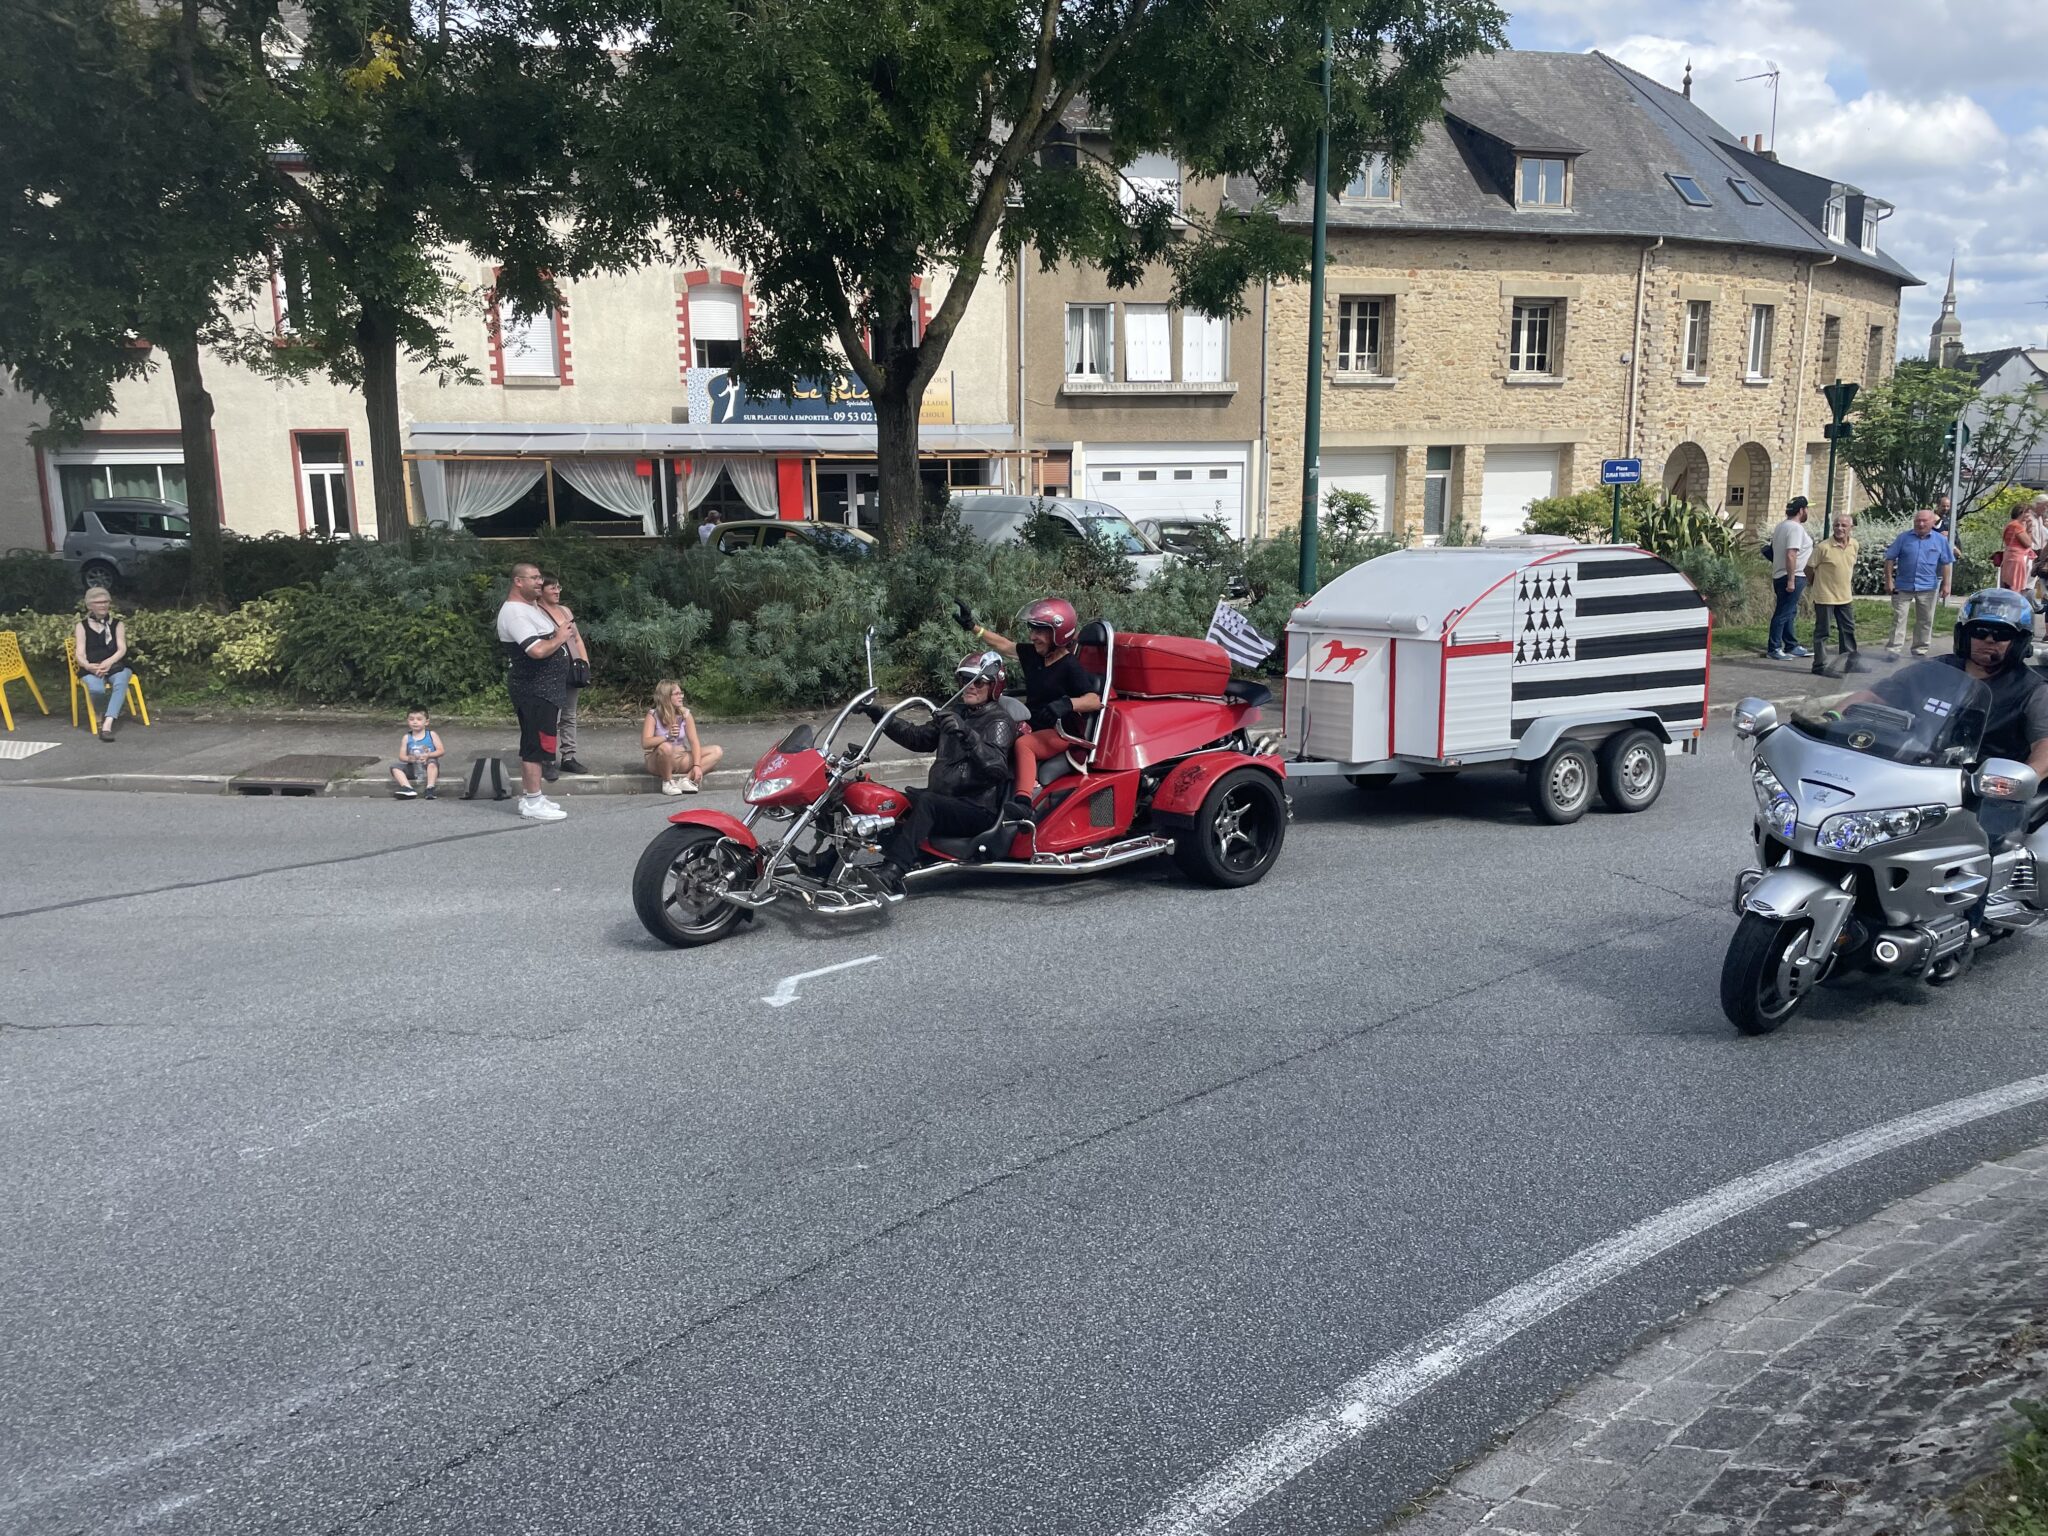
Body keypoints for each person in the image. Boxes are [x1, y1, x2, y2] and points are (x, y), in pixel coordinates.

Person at [858, 651, 1018, 892]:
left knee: (928, 803)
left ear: (994, 686)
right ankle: (831, 860)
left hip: (977, 809)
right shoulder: (957, 712)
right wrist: (879, 714)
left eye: (978, 682)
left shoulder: (999, 721)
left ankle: (892, 872)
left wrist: (967, 735)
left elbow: (995, 767)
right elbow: (917, 738)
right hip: (947, 802)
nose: (969, 687)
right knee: (883, 799)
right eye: (965, 680)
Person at [1857, 589, 2048, 777]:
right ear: (1964, 635)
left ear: (2020, 641)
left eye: (2002, 633)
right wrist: (1832, 722)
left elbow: (2045, 747)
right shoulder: (1932, 670)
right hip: (1909, 770)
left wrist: (2022, 779)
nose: (1989, 639)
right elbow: (1871, 696)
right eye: (1979, 631)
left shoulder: (2032, 690)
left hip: (1978, 792)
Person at [955, 597, 1101, 820]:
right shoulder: (1034, 654)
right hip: (1035, 724)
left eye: (1040, 631)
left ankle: (1023, 802)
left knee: (1024, 745)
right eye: (1032, 629)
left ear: (1058, 634)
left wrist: (1067, 703)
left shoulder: (1069, 665)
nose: (1033, 636)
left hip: (1062, 731)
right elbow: (1004, 645)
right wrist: (973, 627)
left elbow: (1094, 700)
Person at [495, 561, 573, 822]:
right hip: (533, 689)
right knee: (534, 745)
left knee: (542, 743)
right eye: (534, 578)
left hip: (546, 689)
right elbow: (536, 650)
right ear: (518, 582)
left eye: (540, 578)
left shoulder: (530, 607)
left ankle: (536, 796)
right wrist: (560, 638)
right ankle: (531, 801)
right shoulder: (515, 613)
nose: (540, 582)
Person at [1882, 508, 1955, 661]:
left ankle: (1920, 649)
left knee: (1925, 619)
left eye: (1924, 521)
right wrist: (1889, 580)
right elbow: (1889, 558)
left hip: (1928, 586)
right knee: (1899, 617)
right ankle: (1893, 650)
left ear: (1932, 522)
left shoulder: (1940, 540)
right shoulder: (1903, 538)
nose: (1920, 524)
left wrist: (1947, 585)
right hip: (1903, 585)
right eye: (1917, 521)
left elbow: (1946, 563)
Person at [539, 575, 591, 774]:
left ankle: (568, 756)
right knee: (551, 715)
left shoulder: (565, 611)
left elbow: (576, 638)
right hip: (551, 671)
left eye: (558, 587)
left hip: (572, 670)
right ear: (542, 591)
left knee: (569, 714)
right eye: (552, 588)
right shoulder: (537, 613)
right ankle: (547, 757)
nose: (557, 591)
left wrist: (584, 662)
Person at [642, 679, 723, 794]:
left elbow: (694, 742)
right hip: (659, 761)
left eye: (681, 693)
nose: (681, 697)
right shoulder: (653, 715)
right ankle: (667, 782)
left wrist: (697, 765)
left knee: (716, 751)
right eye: (677, 694)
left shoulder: (685, 715)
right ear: (666, 697)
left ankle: (686, 780)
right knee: (666, 747)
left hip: (680, 758)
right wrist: (667, 736)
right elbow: (645, 743)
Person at [73, 587, 132, 742]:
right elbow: (79, 653)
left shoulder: (117, 624)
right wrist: (88, 666)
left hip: (114, 664)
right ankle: (101, 712)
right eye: (98, 602)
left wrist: (108, 662)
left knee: (121, 680)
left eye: (106, 602)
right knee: (96, 689)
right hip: (92, 666)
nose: (103, 605)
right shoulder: (82, 626)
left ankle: (107, 724)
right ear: (90, 606)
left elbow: (122, 648)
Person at [1806, 512, 1861, 675]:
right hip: (1825, 597)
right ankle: (1820, 666)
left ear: (1851, 528)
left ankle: (1851, 664)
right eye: (1836, 525)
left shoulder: (1854, 545)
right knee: (1823, 632)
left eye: (1844, 525)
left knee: (1848, 630)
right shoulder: (1823, 547)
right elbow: (1809, 569)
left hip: (1845, 597)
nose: (1839, 528)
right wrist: (1816, 584)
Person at [1766, 497, 1813, 660]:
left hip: (1780, 574)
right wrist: (1791, 579)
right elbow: (1791, 553)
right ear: (1801, 510)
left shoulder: (1781, 526)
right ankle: (1774, 647)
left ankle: (1791, 644)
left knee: (1790, 612)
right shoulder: (1795, 528)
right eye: (1806, 509)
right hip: (1793, 575)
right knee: (1783, 612)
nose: (1807, 512)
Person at [389, 708, 444, 799]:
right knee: (395, 767)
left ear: (426, 722)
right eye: (411, 719)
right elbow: (402, 756)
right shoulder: (406, 737)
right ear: (408, 721)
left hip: (428, 767)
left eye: (419, 719)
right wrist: (412, 758)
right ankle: (408, 788)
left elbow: (441, 751)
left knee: (432, 763)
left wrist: (427, 755)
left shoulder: (431, 735)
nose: (415, 722)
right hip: (413, 768)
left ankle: (430, 788)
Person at [2002, 502, 2038, 595]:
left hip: (2009, 556)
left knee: (2009, 583)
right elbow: (2027, 543)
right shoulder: (2017, 526)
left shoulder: (2009, 525)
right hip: (2017, 558)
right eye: (2028, 513)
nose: (2029, 516)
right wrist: (2029, 530)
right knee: (2016, 584)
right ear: (2022, 513)